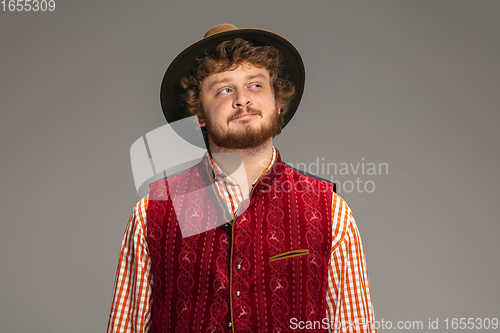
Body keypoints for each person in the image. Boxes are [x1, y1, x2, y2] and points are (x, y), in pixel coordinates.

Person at [107, 24, 376, 333]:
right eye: (224, 89)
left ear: (277, 105)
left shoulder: (331, 213)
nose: (242, 99)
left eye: (256, 85)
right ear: (200, 116)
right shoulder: (151, 215)